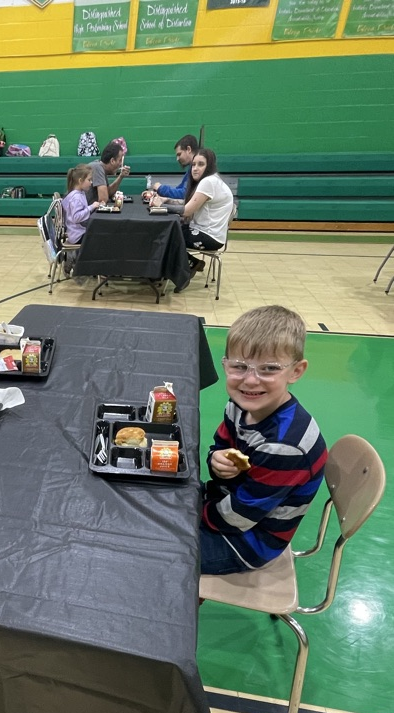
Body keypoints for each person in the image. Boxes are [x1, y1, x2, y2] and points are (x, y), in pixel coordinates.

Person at [200, 305, 327, 576]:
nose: (250, 380)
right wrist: (216, 460)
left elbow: (238, 517)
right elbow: (220, 446)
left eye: (269, 368)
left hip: (247, 542)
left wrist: (189, 517)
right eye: (239, 366)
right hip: (227, 502)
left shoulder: (285, 447)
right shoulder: (239, 404)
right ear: (225, 364)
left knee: (158, 547)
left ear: (296, 371)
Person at [150, 148, 234, 271]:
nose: (195, 168)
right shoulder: (213, 180)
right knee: (171, 231)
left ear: (209, 166)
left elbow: (187, 211)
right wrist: (166, 200)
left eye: (201, 164)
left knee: (166, 235)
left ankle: (184, 268)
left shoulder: (208, 182)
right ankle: (190, 264)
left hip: (209, 237)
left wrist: (161, 206)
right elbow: (190, 204)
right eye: (193, 164)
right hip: (211, 234)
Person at [61, 165, 99, 275]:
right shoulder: (76, 197)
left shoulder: (79, 194)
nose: (91, 183)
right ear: (80, 180)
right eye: (89, 180)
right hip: (77, 234)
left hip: (76, 231)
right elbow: (76, 217)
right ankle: (84, 264)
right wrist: (91, 207)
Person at [147, 133, 199, 201]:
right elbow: (180, 189)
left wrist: (161, 188)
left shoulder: (197, 171)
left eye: (179, 154)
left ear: (188, 149)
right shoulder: (191, 169)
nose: (177, 159)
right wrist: (156, 192)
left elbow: (184, 194)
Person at [85, 141, 130, 206]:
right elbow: (103, 200)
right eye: (120, 160)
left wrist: (121, 176)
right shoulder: (97, 168)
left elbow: (108, 193)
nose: (120, 164)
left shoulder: (100, 167)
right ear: (112, 161)